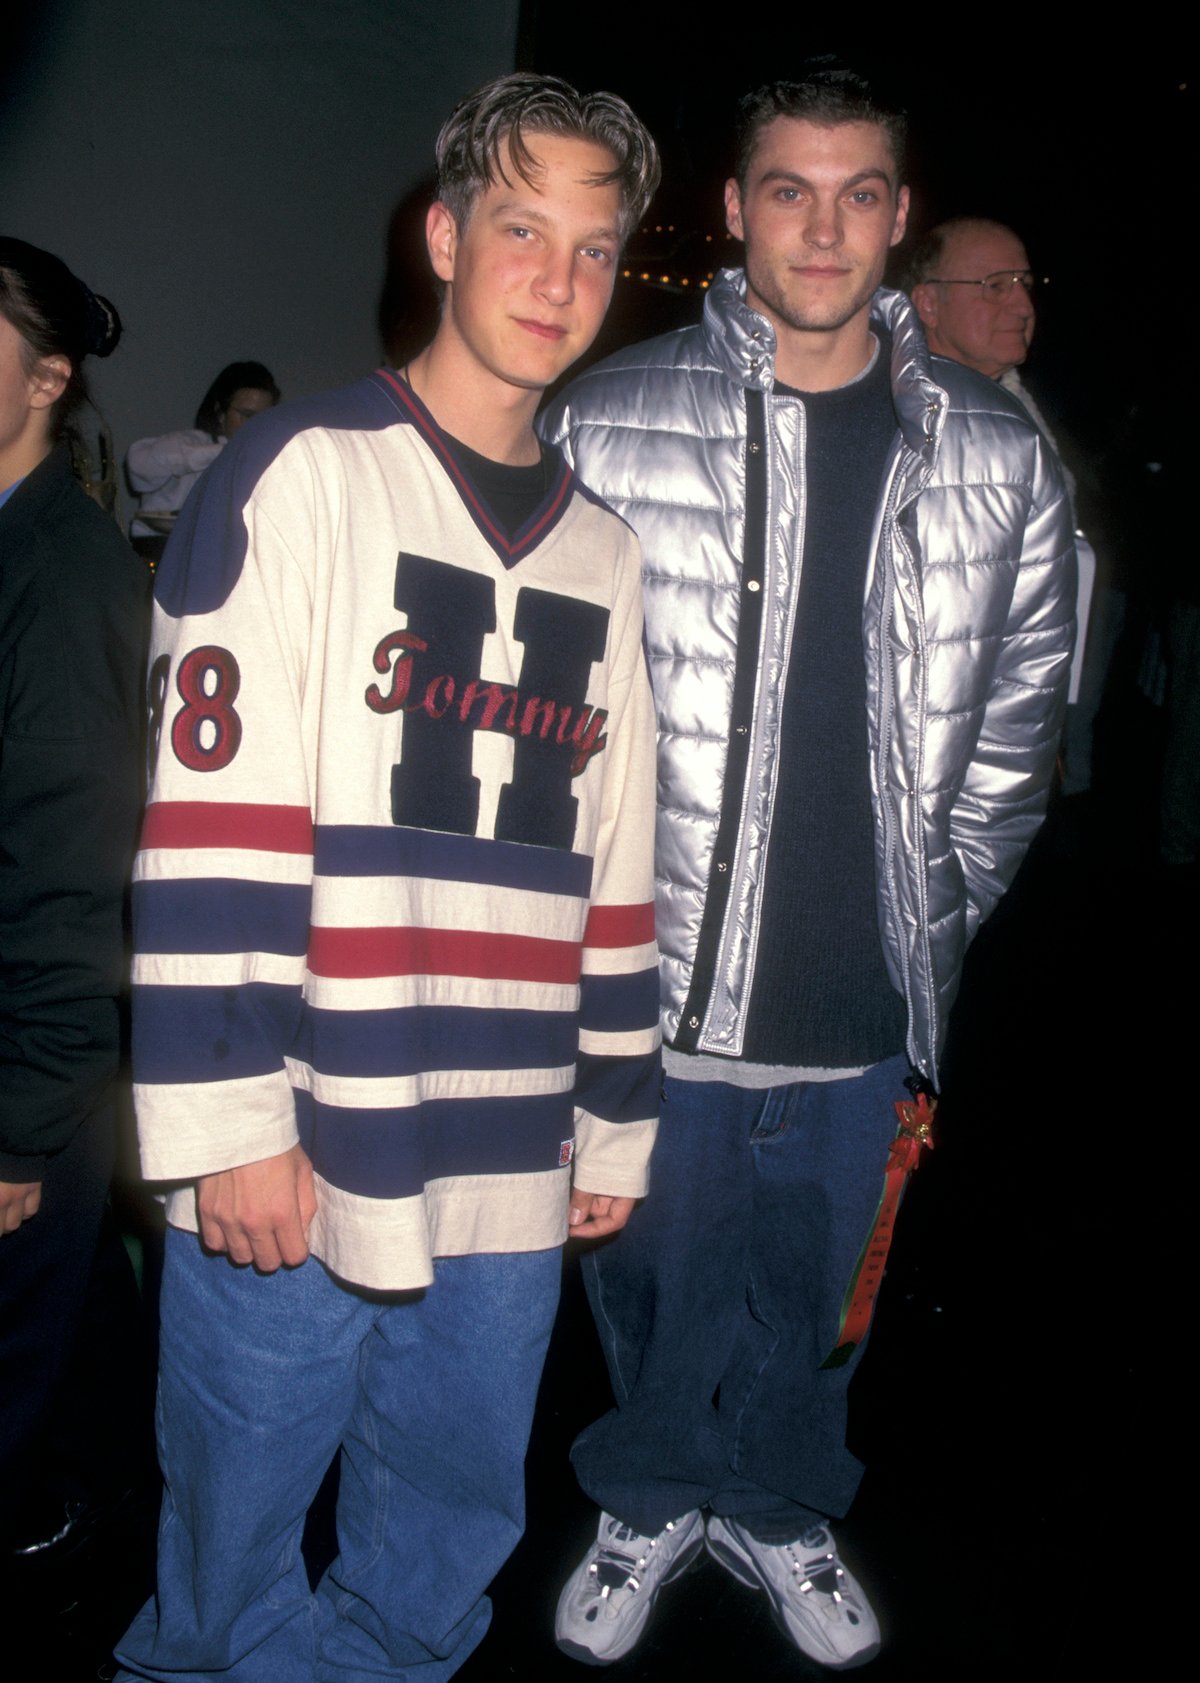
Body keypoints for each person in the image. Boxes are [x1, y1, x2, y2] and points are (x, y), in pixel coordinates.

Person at [114, 72, 661, 1683]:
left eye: (595, 246)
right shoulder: (297, 475)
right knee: (230, 1541)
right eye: (520, 227)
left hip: (507, 1151)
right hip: (300, 1122)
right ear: (441, 235)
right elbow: (205, 822)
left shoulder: (609, 555)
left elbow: (616, 861)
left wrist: (611, 1116)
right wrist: (229, 1127)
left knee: (438, 1536)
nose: (557, 278)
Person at [543, 65, 1076, 1671]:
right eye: (790, 188)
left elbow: (1013, 735)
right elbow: (548, 715)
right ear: (735, 208)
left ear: (900, 218)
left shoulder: (996, 449)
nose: (823, 224)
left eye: (858, 193)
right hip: (655, 984)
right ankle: (647, 1488)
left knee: (823, 1293)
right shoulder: (608, 418)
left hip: (866, 999)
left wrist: (934, 913)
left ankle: (778, 1500)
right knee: (646, 1285)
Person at [0, 239, 148, 1564]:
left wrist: (20, 1126)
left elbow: (67, 868)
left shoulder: (64, 572)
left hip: (19, 1074)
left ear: (48, 378)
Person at [908, 218, 1101, 786]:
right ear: (929, 303)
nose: (1022, 302)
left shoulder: (1014, 407)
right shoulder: (909, 421)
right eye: (994, 284)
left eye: (1024, 282)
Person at [126, 360, 280, 552]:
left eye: (264, 418)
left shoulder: (270, 463)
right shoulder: (188, 443)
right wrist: (228, 451)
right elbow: (139, 467)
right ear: (220, 412)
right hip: (159, 550)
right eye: (246, 415)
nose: (255, 426)